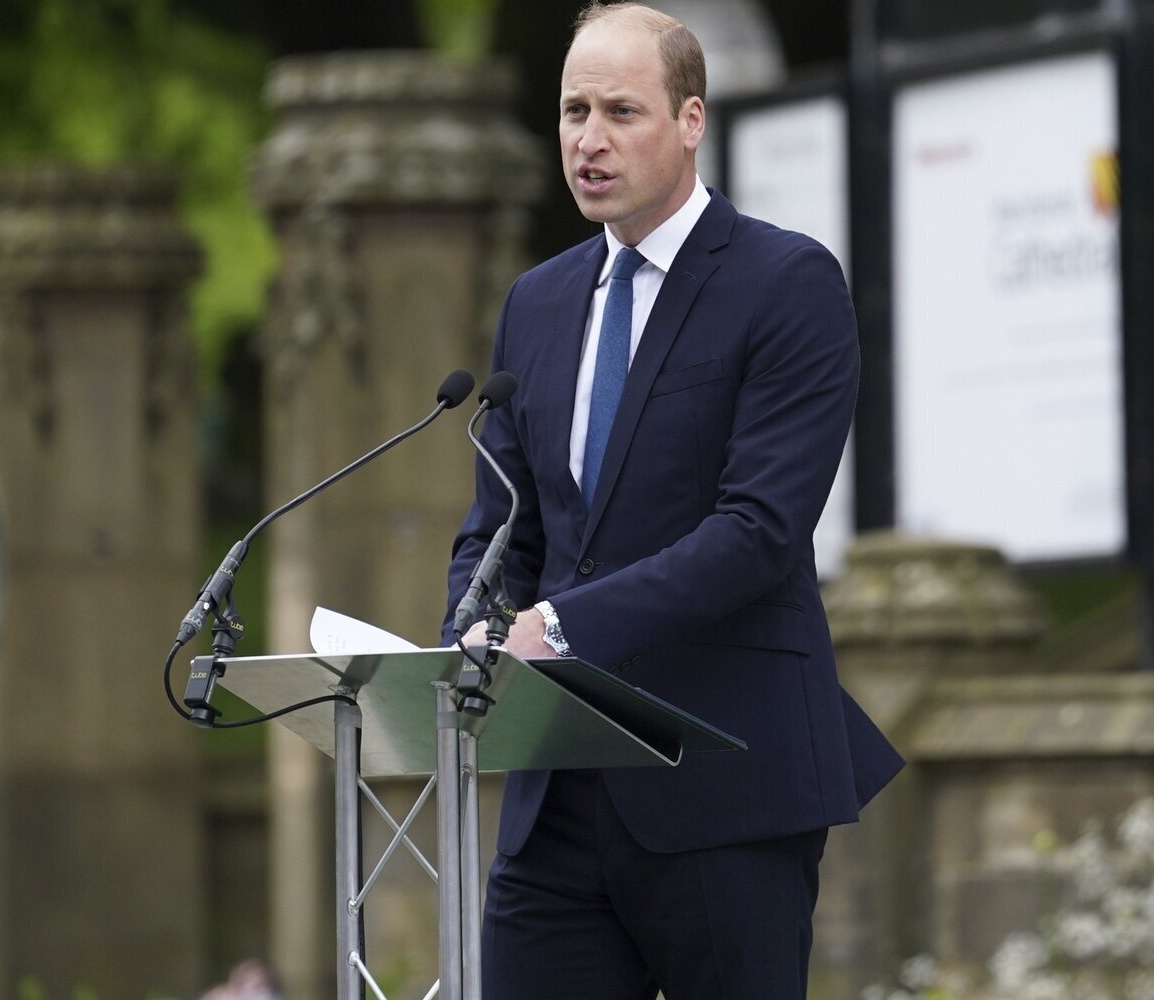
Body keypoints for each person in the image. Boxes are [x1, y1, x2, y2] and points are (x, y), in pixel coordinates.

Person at [440, 4, 903, 997]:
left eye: (619, 110)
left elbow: (757, 531)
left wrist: (559, 624)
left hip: (723, 785)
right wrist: (472, 628)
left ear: (690, 120)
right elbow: (501, 524)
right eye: (571, 112)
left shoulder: (786, 283)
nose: (588, 139)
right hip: (554, 800)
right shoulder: (537, 301)